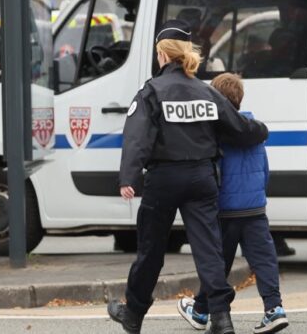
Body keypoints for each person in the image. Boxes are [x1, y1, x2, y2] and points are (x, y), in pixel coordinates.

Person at [107, 20, 269, 334]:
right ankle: (221, 319)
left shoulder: (151, 91)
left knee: (151, 251)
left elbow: (137, 137)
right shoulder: (205, 92)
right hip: (201, 178)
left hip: (164, 179)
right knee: (209, 250)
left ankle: (133, 315)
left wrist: (128, 177)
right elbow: (238, 127)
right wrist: (261, 131)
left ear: (164, 56)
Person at [177, 73, 289, 334]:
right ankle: (274, 309)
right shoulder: (254, 129)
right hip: (255, 208)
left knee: (216, 264)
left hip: (226, 211)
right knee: (264, 260)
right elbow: (265, 169)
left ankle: (203, 310)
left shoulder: (214, 133)